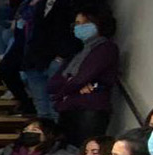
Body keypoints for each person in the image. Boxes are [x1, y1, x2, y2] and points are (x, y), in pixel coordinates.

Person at [22, 0, 108, 121]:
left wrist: (62, 56)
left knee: (56, 105)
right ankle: (44, 128)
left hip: (61, 55)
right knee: (42, 107)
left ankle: (55, 131)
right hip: (37, 56)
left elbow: (79, 23)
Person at [48, 10, 120, 147]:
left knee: (85, 149)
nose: (79, 27)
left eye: (85, 23)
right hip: (68, 108)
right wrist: (72, 86)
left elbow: (82, 77)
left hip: (90, 110)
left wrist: (65, 89)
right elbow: (52, 84)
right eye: (77, 23)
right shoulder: (78, 53)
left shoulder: (105, 48)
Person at [0, 0, 44, 111]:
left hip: (33, 44)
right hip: (20, 43)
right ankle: (24, 101)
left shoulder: (41, 2)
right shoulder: (23, 5)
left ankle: (35, 106)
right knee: (4, 69)